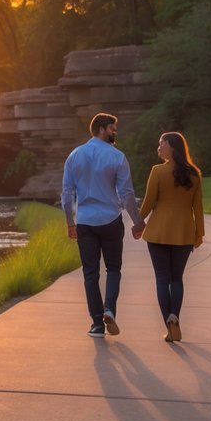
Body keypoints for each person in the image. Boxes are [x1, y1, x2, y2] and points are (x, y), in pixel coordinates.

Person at [61, 112, 144, 338]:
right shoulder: (117, 157)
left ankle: (97, 324)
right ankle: (109, 309)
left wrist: (70, 223)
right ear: (101, 128)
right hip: (110, 220)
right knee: (114, 268)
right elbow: (126, 194)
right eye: (112, 128)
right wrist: (138, 222)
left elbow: (67, 195)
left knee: (90, 273)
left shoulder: (74, 155)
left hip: (85, 222)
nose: (115, 132)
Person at [133, 131, 204, 343]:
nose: (158, 147)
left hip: (159, 233)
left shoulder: (157, 171)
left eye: (161, 143)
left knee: (162, 279)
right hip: (183, 233)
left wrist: (138, 223)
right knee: (177, 278)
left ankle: (169, 323)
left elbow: (148, 202)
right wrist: (199, 234)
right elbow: (198, 207)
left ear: (172, 146)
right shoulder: (194, 174)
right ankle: (175, 318)